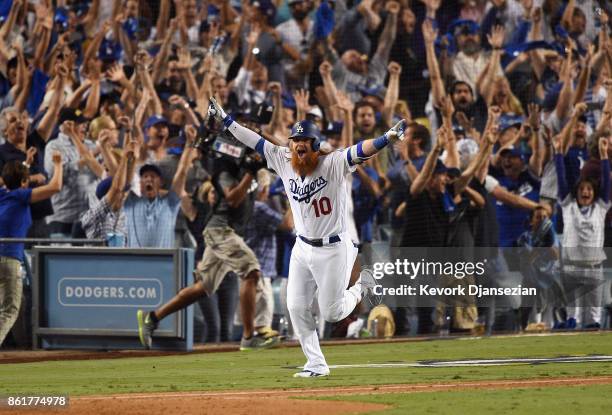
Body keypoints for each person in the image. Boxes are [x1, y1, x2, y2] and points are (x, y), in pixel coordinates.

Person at [206, 97, 404, 377]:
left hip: (334, 247)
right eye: (295, 141)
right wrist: (225, 120)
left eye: (304, 142)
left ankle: (363, 285)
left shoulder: (333, 163)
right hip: (303, 247)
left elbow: (360, 150)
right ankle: (316, 364)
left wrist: (386, 138)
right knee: (295, 306)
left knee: (333, 312)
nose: (298, 146)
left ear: (315, 146)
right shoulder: (282, 159)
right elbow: (253, 140)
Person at [137, 124, 276, 351]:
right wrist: (251, 171)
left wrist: (260, 139)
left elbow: (280, 152)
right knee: (252, 272)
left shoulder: (248, 165)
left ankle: (152, 318)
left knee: (203, 288)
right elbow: (232, 199)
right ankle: (252, 336)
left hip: (227, 233)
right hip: (220, 230)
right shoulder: (224, 170)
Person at [0, 152, 63, 346]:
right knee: (9, 310)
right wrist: (58, 164)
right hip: (9, 258)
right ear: (25, 181)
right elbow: (55, 187)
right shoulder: (20, 196)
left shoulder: (3, 194)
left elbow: (14, 179)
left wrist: (25, 163)